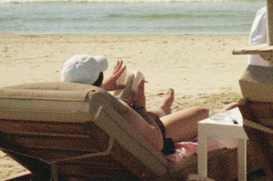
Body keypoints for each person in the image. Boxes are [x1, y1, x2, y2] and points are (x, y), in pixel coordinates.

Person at [61, 55, 209, 155]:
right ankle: (162, 109)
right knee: (201, 113)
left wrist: (103, 88)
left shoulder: (61, 104)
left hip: (94, 150)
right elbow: (157, 143)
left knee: (154, 112)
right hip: (137, 142)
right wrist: (140, 107)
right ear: (99, 78)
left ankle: (163, 108)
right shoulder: (117, 107)